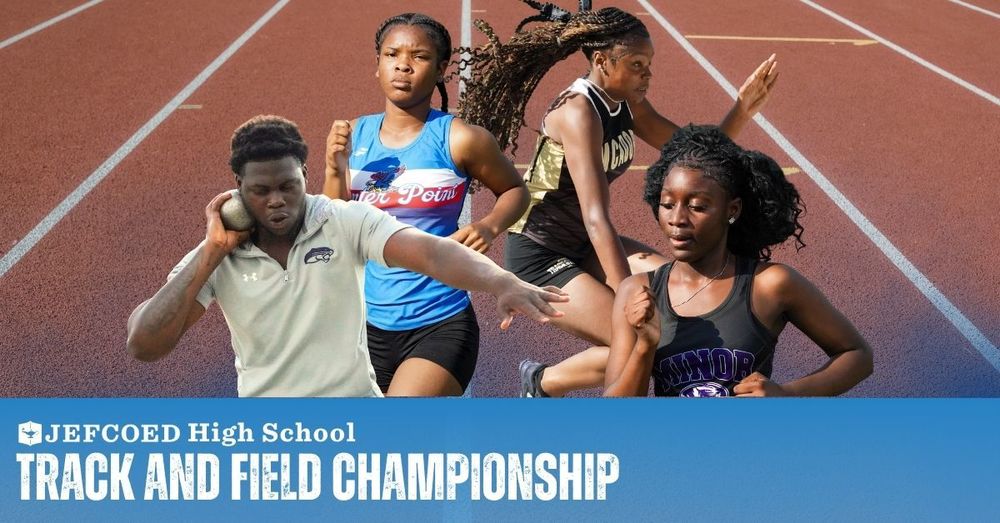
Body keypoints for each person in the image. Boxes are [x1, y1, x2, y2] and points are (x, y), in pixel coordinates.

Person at [455, 3, 779, 396]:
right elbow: (596, 217)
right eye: (638, 65)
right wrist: (628, 294)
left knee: (685, 298)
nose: (648, 75)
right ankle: (545, 384)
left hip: (584, 243)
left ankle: (542, 380)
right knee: (643, 337)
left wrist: (741, 110)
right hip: (541, 254)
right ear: (602, 61)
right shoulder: (578, 112)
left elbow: (694, 155)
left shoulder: (627, 101)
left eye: (649, 65)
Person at [125, 115, 566, 397]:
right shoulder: (218, 248)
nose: (277, 201)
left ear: (304, 175)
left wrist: (500, 281)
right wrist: (213, 252)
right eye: (260, 191)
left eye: (288, 186)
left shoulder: (343, 219)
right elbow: (144, 344)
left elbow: (431, 254)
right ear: (237, 189)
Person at [323, 13, 529, 397]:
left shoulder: (461, 138)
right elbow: (331, 226)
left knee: (400, 434)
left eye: (418, 56)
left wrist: (489, 226)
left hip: (439, 321)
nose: (403, 64)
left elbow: (516, 190)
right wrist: (334, 168)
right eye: (391, 54)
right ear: (378, 65)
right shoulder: (353, 135)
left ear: (440, 70)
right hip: (363, 326)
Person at [604, 125, 872, 397]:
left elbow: (857, 356)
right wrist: (645, 347)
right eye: (667, 204)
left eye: (697, 206)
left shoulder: (769, 285)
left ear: (732, 210)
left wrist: (787, 395)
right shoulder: (636, 291)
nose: (677, 219)